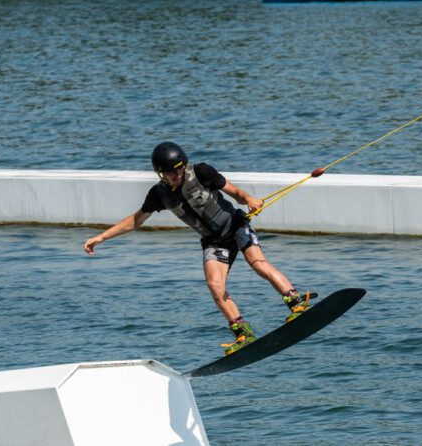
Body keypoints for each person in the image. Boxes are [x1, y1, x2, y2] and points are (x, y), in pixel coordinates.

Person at [83, 142, 312, 355]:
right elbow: (136, 220)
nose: (177, 174)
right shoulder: (158, 194)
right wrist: (101, 237)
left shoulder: (202, 172)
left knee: (258, 264)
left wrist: (250, 199)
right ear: (160, 173)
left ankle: (296, 302)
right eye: (171, 171)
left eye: (180, 169)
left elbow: (237, 194)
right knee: (215, 285)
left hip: (236, 225)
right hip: (213, 241)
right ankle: (243, 333)